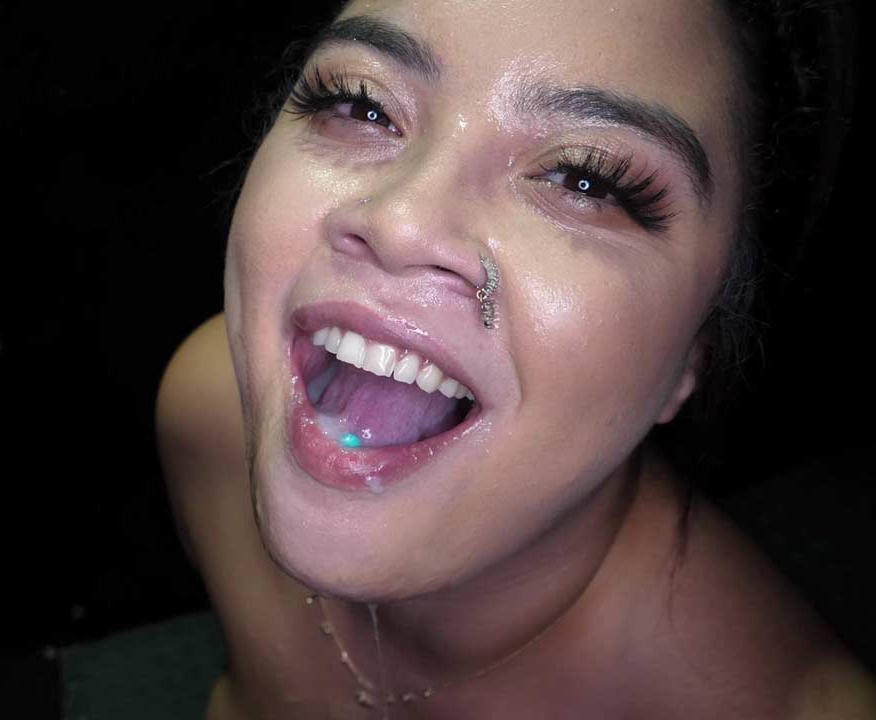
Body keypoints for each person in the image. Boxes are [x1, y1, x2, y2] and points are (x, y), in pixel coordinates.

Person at [154, 0, 876, 717]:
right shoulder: (208, 417)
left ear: (696, 354)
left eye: (584, 181)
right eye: (361, 105)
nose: (402, 223)